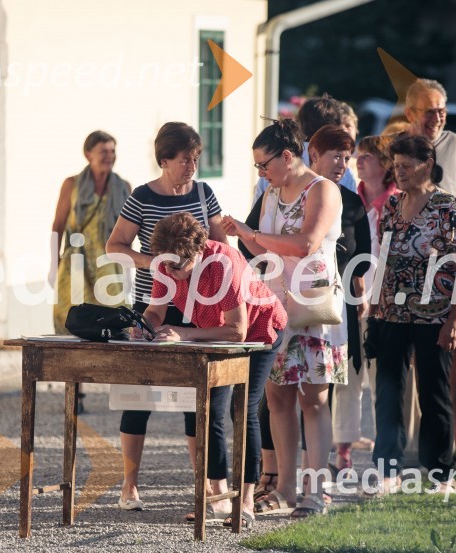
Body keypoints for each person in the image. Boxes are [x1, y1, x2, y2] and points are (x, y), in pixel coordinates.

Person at [222, 118, 346, 518]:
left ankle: (316, 491)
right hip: (275, 307)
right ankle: (286, 489)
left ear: (287, 156)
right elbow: (259, 247)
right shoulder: (271, 194)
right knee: (277, 398)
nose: (260, 173)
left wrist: (251, 234)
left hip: (313, 306)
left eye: (264, 164)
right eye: (257, 166)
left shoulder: (322, 190)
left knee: (314, 398)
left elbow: (306, 243)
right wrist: (237, 233)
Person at [105, 122, 228, 511]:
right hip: (154, 304)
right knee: (139, 395)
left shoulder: (204, 192)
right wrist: (153, 261)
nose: (192, 166)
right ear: (164, 160)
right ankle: (129, 486)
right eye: (185, 160)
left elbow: (221, 245)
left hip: (199, 306)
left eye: (196, 159)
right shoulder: (141, 196)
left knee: (197, 397)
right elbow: (114, 246)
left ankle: (204, 487)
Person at [140, 212, 287, 528]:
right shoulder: (167, 262)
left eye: (177, 266)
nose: (170, 272)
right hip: (214, 332)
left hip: (261, 328)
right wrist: (145, 328)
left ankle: (245, 501)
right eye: (164, 265)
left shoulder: (224, 263)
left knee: (243, 408)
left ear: (197, 252)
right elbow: (155, 311)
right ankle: (219, 500)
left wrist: (183, 333)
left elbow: (238, 332)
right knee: (208, 408)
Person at [371, 133, 456, 495]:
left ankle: (440, 474)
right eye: (395, 166)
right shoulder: (391, 205)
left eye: (405, 166)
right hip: (391, 314)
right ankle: (387, 471)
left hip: (435, 316)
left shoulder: (447, 207)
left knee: (434, 393)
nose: (398, 173)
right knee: (387, 393)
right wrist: (372, 308)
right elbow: (382, 261)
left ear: (427, 165)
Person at [403, 78, 456, 459]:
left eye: (442, 109)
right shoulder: (396, 148)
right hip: (412, 273)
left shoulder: (455, 143)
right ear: (410, 113)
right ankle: (418, 447)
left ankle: (455, 440)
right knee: (414, 360)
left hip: (453, 267)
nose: (437, 117)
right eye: (429, 110)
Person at [51, 130, 131, 414]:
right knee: (72, 324)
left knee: (114, 323)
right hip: (75, 263)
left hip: (110, 266)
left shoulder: (124, 187)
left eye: (112, 151)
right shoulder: (71, 185)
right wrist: (52, 263)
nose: (109, 156)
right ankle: (75, 392)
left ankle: (122, 391)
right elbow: (58, 225)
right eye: (103, 151)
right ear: (88, 154)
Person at [306, 125, 371, 473]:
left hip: (339, 301)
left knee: (326, 381)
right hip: (294, 298)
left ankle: (322, 459)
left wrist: (359, 295)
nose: (343, 164)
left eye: (347, 158)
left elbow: (364, 256)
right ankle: (280, 467)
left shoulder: (352, 202)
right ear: (313, 154)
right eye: (336, 156)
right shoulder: (289, 194)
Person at [332, 134, 397, 470]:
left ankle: (386, 454)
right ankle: (342, 450)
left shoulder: (398, 201)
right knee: (347, 377)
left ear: (386, 164)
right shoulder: (346, 199)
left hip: (387, 303)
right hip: (350, 300)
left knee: (383, 381)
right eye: (359, 155)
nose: (359, 161)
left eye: (368, 156)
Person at [252, 95, 356, 203]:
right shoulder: (343, 169)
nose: (261, 173)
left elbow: (254, 216)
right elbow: (351, 206)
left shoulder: (275, 162)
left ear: (300, 123)